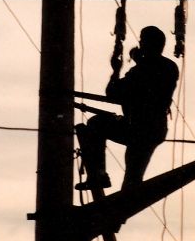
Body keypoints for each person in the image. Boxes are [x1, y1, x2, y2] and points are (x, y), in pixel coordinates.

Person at [76, 26, 179, 192]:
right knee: (133, 173)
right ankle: (105, 180)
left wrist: (117, 70)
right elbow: (117, 92)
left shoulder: (150, 69)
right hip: (148, 128)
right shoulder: (164, 67)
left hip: (143, 128)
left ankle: (100, 175)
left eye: (142, 41)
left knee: (97, 124)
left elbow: (114, 92)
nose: (139, 44)